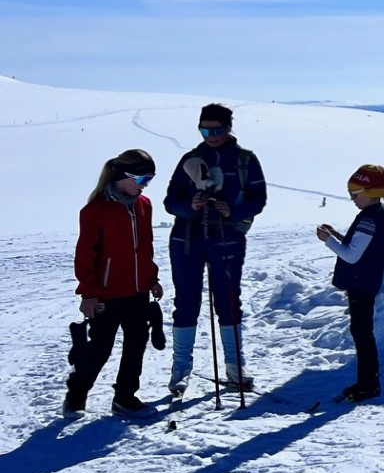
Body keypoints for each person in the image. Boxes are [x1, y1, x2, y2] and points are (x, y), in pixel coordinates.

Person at [163, 103, 268, 395]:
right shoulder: (191, 159)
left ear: (229, 128)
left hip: (227, 236)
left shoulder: (246, 160)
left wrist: (232, 212)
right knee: (186, 302)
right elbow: (170, 201)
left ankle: (235, 368)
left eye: (217, 129)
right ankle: (180, 371)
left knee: (228, 300)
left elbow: (258, 199)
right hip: (187, 238)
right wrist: (191, 206)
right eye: (204, 129)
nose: (211, 135)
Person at [66, 149, 165, 415]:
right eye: (142, 179)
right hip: (106, 294)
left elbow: (145, 248)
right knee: (100, 349)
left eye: (149, 179)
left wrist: (151, 278)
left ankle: (125, 397)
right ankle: (75, 397)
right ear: (123, 176)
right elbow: (85, 254)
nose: (145, 185)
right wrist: (88, 294)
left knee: (136, 343)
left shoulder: (144, 206)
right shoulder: (96, 210)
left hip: (137, 292)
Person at [317, 164, 384, 402]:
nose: (352, 199)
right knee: (362, 332)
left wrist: (328, 240)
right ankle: (367, 380)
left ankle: (369, 383)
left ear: (370, 192)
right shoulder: (374, 215)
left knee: (362, 333)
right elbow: (359, 246)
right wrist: (337, 235)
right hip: (365, 281)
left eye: (355, 194)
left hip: (362, 283)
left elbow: (351, 255)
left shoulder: (369, 220)